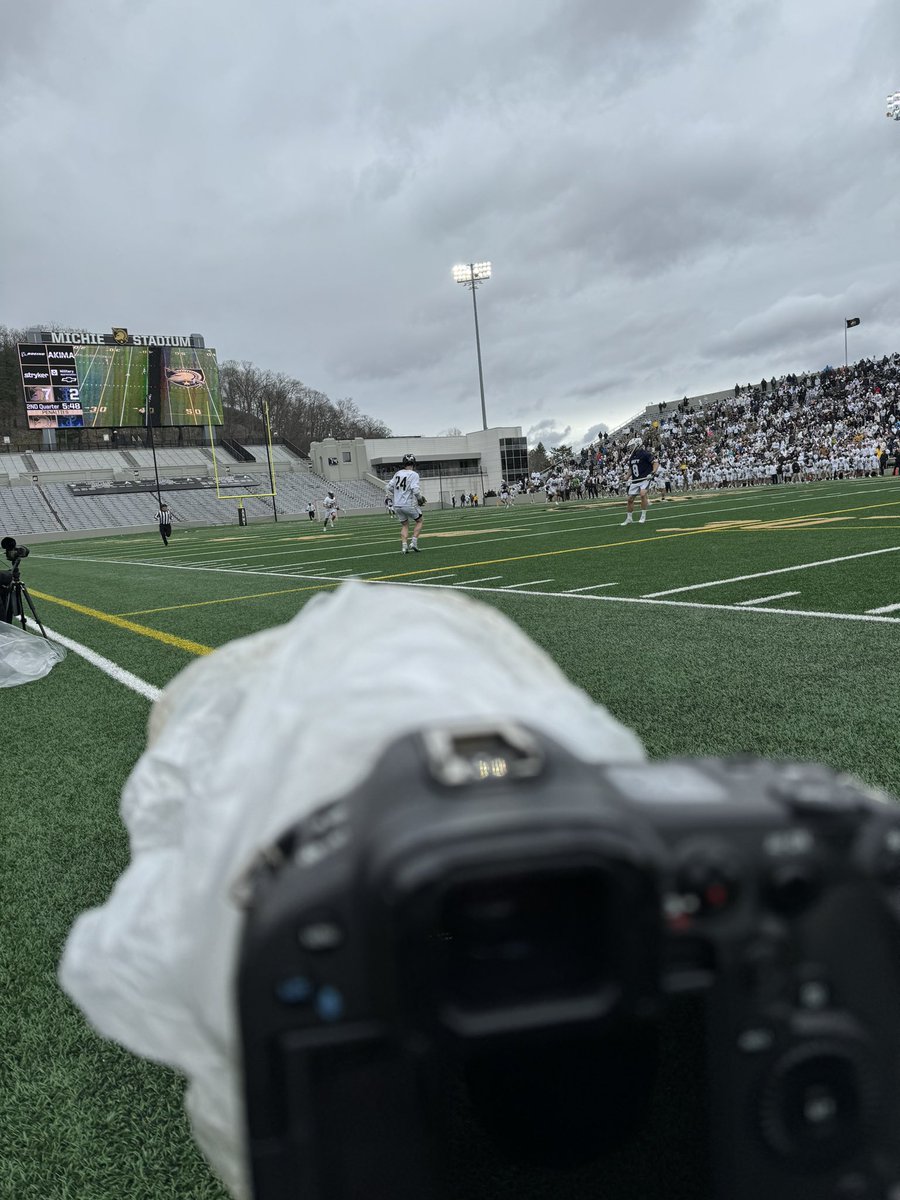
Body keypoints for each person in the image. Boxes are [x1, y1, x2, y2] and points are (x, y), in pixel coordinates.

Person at [385, 453, 424, 553]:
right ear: (414, 464)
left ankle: (404, 546)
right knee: (419, 521)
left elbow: (388, 487)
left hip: (397, 505)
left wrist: (397, 494)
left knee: (405, 525)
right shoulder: (414, 474)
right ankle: (414, 542)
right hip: (408, 504)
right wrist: (420, 499)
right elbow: (415, 489)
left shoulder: (398, 473)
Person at [621, 438, 659, 526]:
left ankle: (643, 516)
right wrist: (626, 478)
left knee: (642, 494)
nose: (630, 448)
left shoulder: (645, 454)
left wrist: (653, 472)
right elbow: (631, 469)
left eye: (632, 446)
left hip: (645, 478)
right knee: (630, 499)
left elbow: (656, 463)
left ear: (637, 444)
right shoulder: (632, 456)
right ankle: (629, 518)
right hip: (635, 480)